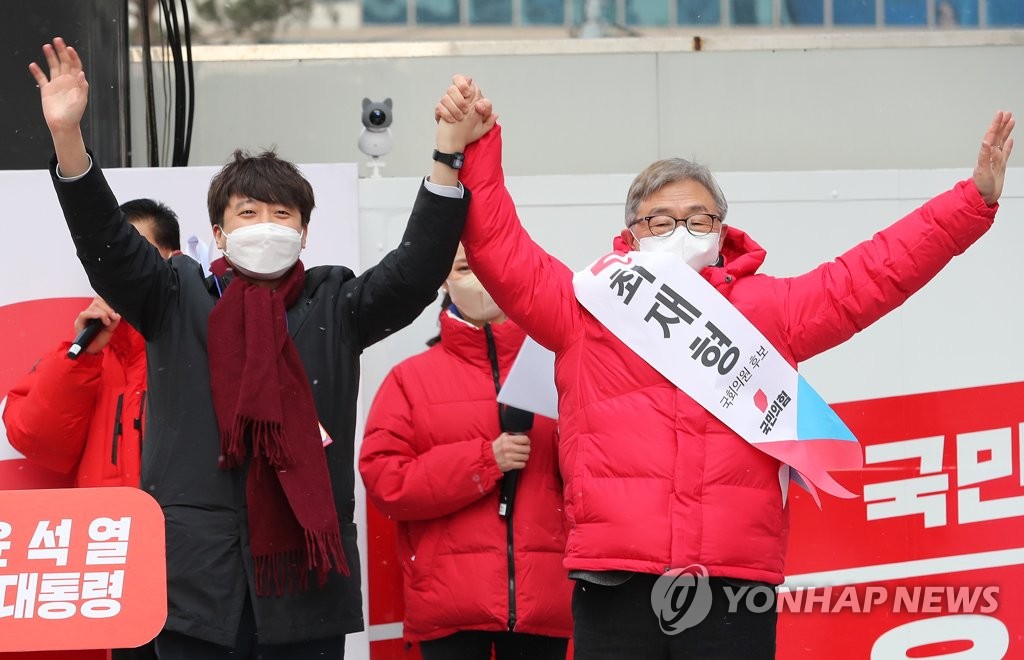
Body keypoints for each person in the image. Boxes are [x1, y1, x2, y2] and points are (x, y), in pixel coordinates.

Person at [435, 77, 1014, 658]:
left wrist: (973, 201)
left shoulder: (770, 309)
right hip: (615, 577)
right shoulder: (584, 305)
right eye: (660, 221)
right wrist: (481, 146)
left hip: (734, 583)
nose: (680, 230)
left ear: (722, 231)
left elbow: (872, 275)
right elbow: (499, 250)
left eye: (698, 218)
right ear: (631, 236)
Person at [30, 37, 472, 659]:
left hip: (304, 588)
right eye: (249, 212)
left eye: (282, 213)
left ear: (303, 230)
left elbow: (417, 269)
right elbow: (106, 241)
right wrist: (68, 137)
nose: (266, 224)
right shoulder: (173, 295)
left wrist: (446, 153)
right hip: (193, 587)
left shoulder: (335, 303)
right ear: (218, 232)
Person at [359, 243, 572, 660]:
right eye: (462, 268)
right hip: (448, 603)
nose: (477, 279)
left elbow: (598, 468)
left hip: (544, 599)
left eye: (486, 267)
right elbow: (386, 480)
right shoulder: (410, 379)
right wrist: (483, 462)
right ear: (444, 279)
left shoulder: (558, 366)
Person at [2, 198, 178, 660]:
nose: (121, 264)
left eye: (134, 251)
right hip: (117, 569)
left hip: (192, 566)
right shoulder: (86, 352)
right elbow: (33, 437)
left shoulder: (197, 343)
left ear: (171, 260)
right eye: (110, 254)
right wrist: (82, 357)